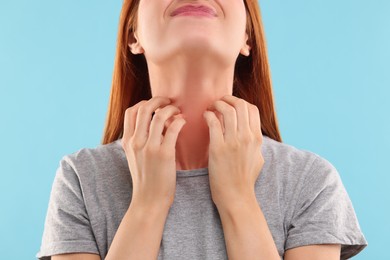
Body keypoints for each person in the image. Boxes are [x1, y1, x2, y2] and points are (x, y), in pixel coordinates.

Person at [36, 0, 368, 259]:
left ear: (247, 37)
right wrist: (148, 205)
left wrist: (239, 200)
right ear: (133, 35)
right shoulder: (80, 178)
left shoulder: (311, 182)